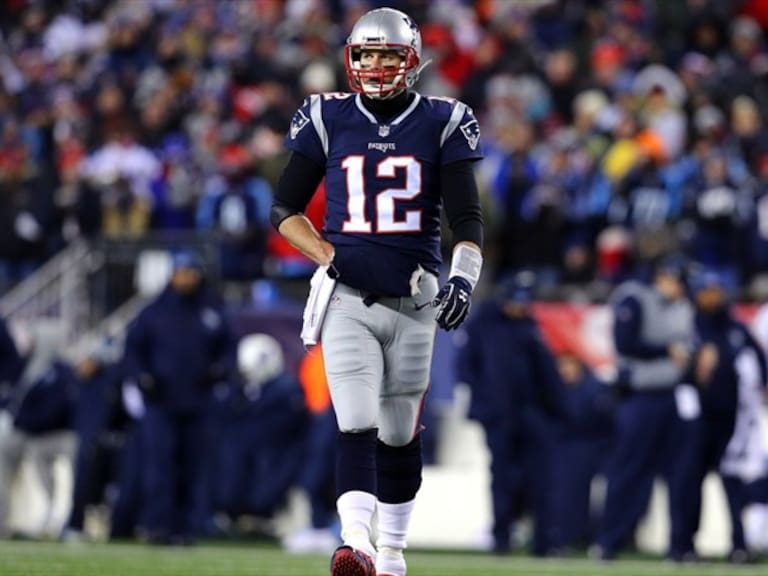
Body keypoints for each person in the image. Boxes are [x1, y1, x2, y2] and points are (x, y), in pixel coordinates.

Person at [270, 7, 484, 576]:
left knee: (398, 434)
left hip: (415, 300)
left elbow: (468, 220)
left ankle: (391, 554)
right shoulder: (326, 115)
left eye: (388, 55)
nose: (375, 66)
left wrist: (463, 277)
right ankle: (356, 543)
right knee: (355, 421)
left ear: (411, 60)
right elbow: (284, 210)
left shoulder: (443, 119)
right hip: (347, 299)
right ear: (351, 58)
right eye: (365, 55)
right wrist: (329, 256)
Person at [123, 249, 235, 545]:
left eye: (191, 273)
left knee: (193, 467)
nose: (186, 278)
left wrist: (219, 371)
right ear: (172, 274)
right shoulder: (154, 312)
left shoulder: (212, 311)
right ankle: (156, 525)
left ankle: (186, 528)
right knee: (159, 466)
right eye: (181, 272)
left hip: (197, 402)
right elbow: (133, 351)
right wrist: (142, 378)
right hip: (161, 402)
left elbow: (228, 350)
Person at [455, 271, 565, 556]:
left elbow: (546, 374)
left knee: (539, 477)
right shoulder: (484, 325)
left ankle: (543, 541)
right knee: (503, 478)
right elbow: (467, 369)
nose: (521, 307)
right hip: (499, 415)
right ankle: (501, 537)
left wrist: (557, 409)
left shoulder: (530, 326)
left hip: (530, 412)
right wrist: (485, 407)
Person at [595, 256, 694, 561]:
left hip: (674, 397)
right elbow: (625, 343)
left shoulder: (683, 307)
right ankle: (608, 542)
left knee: (680, 474)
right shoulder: (634, 298)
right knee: (628, 471)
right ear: (662, 277)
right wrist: (666, 350)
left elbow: (690, 346)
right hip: (640, 397)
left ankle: (679, 547)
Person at [677, 269, 768, 563]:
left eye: (716, 290)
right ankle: (683, 546)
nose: (713, 296)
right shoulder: (687, 325)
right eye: (707, 290)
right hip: (697, 420)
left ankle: (738, 546)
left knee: (733, 485)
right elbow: (676, 370)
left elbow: (758, 358)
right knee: (691, 482)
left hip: (730, 421)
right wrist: (694, 366)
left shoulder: (734, 326)